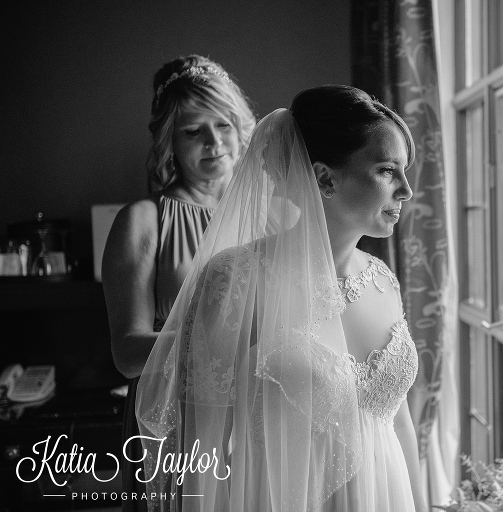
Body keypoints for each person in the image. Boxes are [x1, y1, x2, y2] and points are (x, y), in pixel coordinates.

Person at [135, 85, 428, 511]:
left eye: (404, 171)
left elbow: (398, 421)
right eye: (387, 170)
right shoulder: (236, 279)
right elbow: (203, 444)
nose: (406, 190)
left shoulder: (383, 280)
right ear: (325, 177)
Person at [102, 54, 255, 512]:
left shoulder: (275, 219)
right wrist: (222, 342)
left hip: (256, 418)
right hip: (174, 422)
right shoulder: (143, 222)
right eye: (194, 131)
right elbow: (127, 355)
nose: (214, 142)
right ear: (170, 142)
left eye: (223, 125)